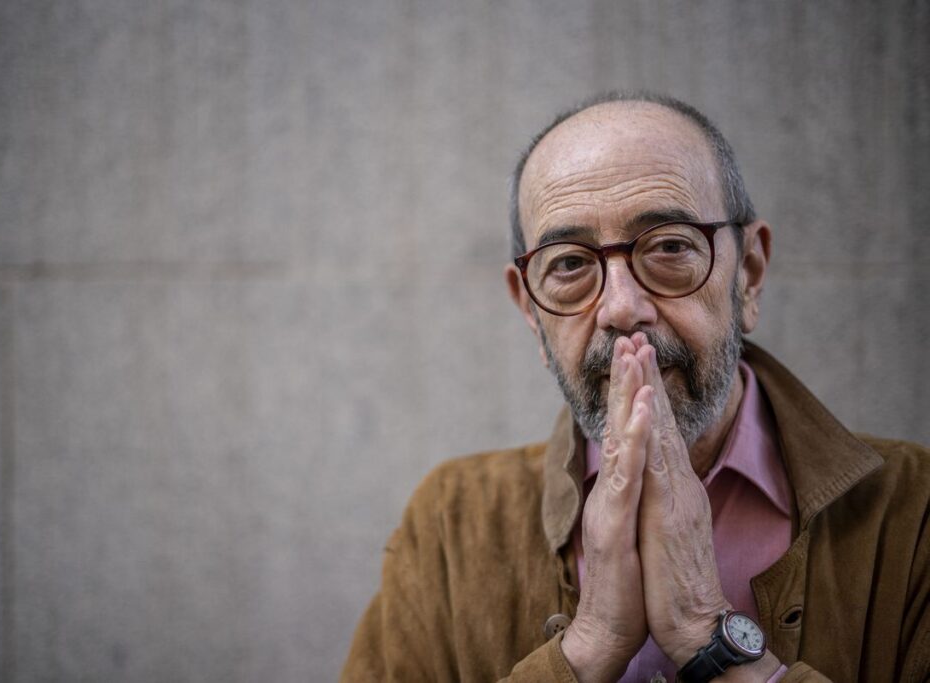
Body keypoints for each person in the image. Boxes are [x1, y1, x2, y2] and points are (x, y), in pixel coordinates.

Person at [339, 92, 930, 682]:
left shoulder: (916, 511)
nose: (622, 308)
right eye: (569, 264)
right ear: (531, 313)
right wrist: (588, 647)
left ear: (749, 273)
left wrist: (706, 631)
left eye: (670, 246)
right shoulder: (450, 524)